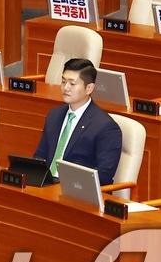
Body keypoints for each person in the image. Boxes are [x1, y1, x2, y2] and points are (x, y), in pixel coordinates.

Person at [33, 57, 123, 185]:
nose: (66, 88)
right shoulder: (54, 115)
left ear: (89, 88)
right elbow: (40, 156)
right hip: (46, 185)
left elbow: (104, 175)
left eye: (72, 83)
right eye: (63, 82)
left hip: (76, 192)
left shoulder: (106, 127)